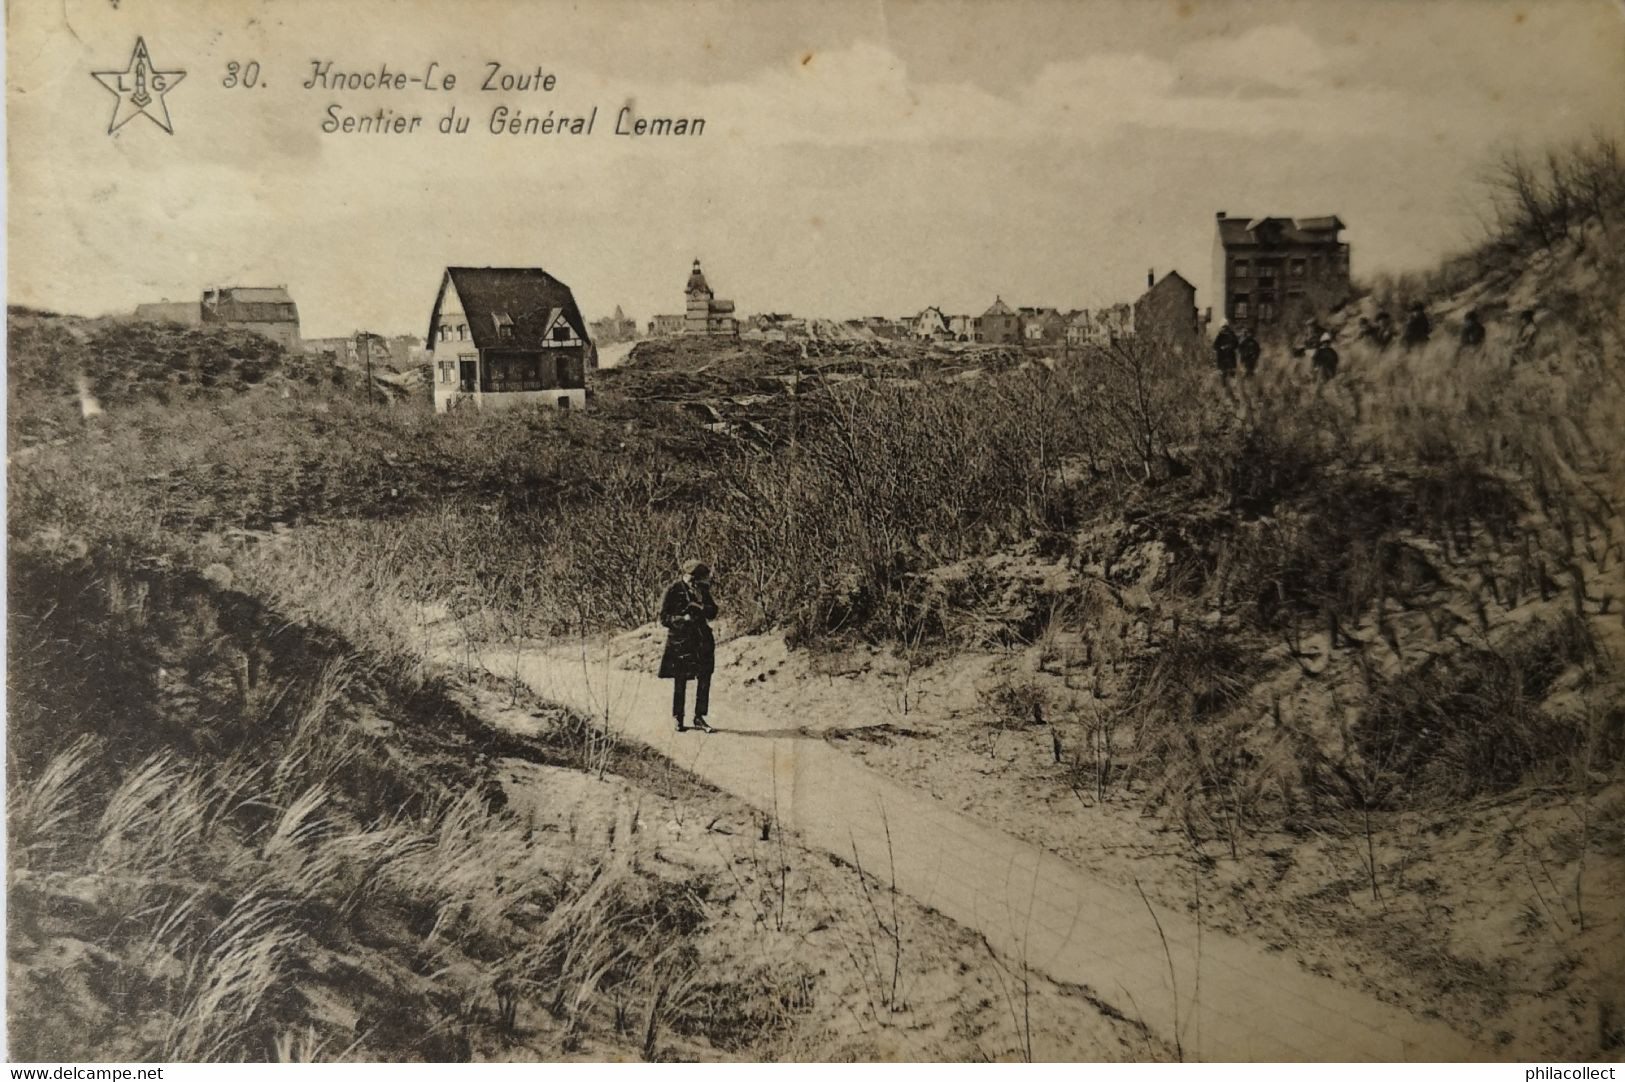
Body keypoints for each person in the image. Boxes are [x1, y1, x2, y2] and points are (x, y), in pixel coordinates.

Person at [659, 560, 718, 732]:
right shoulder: (673, 590)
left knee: (705, 677)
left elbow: (713, 612)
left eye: (698, 579)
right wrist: (682, 619)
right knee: (680, 679)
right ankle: (678, 717)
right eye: (692, 578)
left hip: (702, 641)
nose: (695, 582)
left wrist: (703, 606)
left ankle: (700, 717)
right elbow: (664, 618)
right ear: (685, 575)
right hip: (681, 641)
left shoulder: (703, 590)